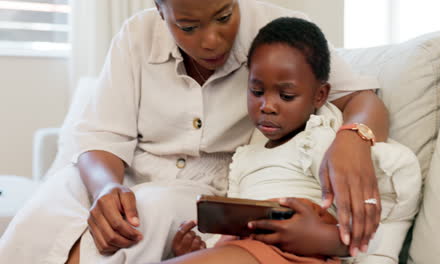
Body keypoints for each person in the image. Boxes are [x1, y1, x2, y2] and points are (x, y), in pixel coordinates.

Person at [0, 0, 388, 263]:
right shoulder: (136, 36)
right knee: (42, 212)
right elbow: (103, 136)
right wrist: (105, 188)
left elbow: (362, 98)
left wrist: (355, 136)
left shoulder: (279, 33)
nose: (211, 40)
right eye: (188, 25)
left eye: (223, 16)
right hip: (125, 171)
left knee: (140, 218)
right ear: (160, 11)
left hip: (205, 191)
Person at [163, 17, 421, 264]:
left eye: (286, 95)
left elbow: (375, 221)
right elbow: (232, 227)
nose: (267, 106)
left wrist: (319, 237)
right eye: (257, 92)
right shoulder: (245, 156)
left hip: (299, 255)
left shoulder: (321, 139)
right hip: (244, 248)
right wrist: (199, 249)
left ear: (320, 95)